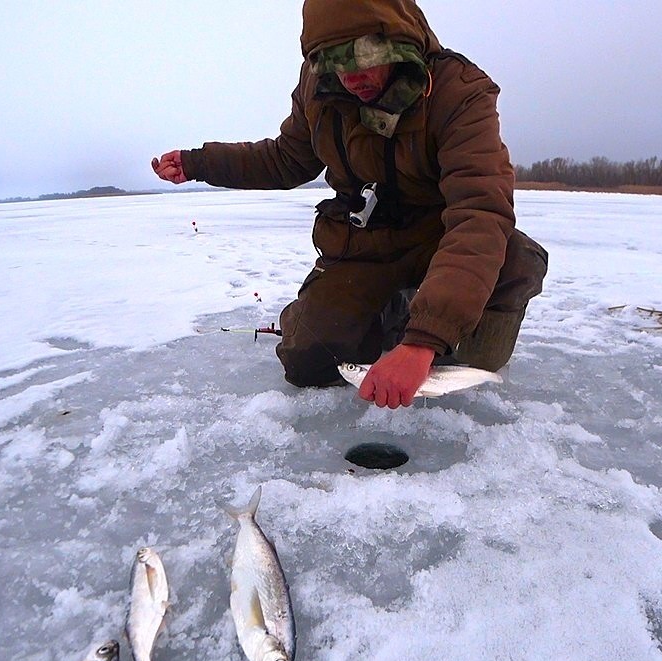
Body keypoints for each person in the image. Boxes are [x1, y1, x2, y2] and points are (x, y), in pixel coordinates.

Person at [152, 0, 547, 409]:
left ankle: (431, 321)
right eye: (337, 64)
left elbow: (479, 213)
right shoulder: (317, 85)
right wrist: (200, 163)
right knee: (308, 361)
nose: (353, 78)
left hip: (438, 239)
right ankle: (389, 311)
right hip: (363, 245)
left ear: (398, 44)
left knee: (503, 285)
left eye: (366, 58)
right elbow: (285, 159)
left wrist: (424, 341)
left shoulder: (459, 91)